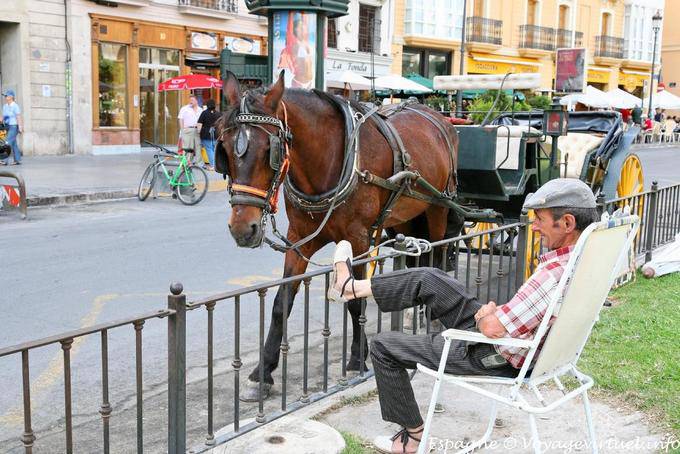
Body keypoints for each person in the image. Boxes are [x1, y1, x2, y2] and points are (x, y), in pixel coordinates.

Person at [327, 178, 600, 454]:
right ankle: (350, 288)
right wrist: (492, 316)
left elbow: (492, 328)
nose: (534, 225)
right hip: (519, 345)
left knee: (383, 346)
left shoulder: (552, 276)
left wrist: (486, 316)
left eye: (540, 219)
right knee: (428, 278)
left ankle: (414, 439)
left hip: (491, 354)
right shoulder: (587, 261)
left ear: (566, 223)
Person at [197, 99, 221, 171]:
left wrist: (198, 132)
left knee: (209, 149)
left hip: (206, 134)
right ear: (215, 105)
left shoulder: (204, 113)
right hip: (217, 134)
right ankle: (217, 165)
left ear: (207, 105)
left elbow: (199, 124)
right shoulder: (219, 114)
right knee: (215, 149)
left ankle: (213, 165)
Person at [1, 89, 23, 166]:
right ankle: (17, 160)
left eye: (6, 96)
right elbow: (3, 116)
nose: (5, 97)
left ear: (11, 97)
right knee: (13, 143)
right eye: (5, 96)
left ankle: (4, 160)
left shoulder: (15, 106)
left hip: (14, 126)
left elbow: (18, 117)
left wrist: (20, 127)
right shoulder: (5, 106)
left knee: (7, 142)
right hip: (7, 126)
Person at [178, 94, 202, 160]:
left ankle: (199, 164)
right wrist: (182, 130)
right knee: (187, 148)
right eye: (190, 100)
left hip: (197, 130)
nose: (190, 101)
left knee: (198, 147)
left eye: (192, 100)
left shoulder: (201, 110)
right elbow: (180, 119)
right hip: (187, 130)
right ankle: (186, 163)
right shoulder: (184, 108)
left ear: (197, 101)